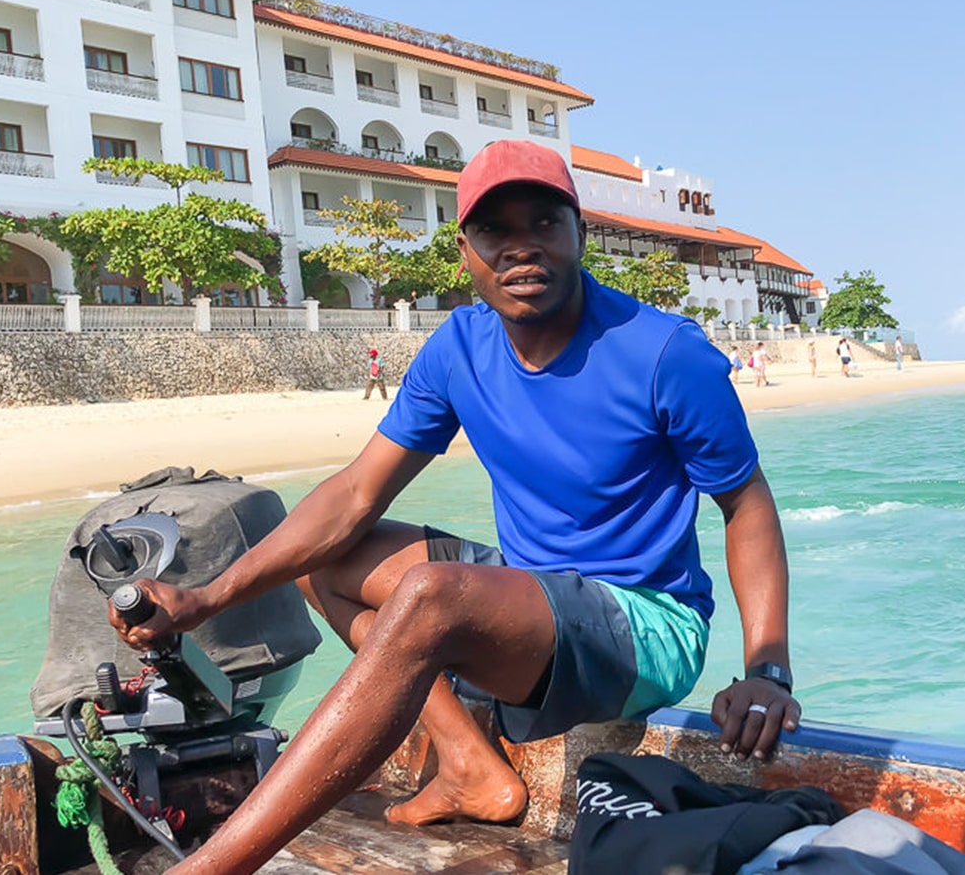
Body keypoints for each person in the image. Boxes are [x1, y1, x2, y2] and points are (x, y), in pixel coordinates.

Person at [108, 140, 801, 874]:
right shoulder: (459, 348)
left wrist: (768, 667)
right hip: (531, 593)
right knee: (320, 557)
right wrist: (205, 598)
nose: (522, 249)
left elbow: (746, 505)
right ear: (465, 249)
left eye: (544, 224)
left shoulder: (665, 353)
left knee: (432, 597)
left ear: (579, 236)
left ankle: (213, 867)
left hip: (647, 624)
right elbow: (353, 494)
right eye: (496, 232)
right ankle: (470, 765)